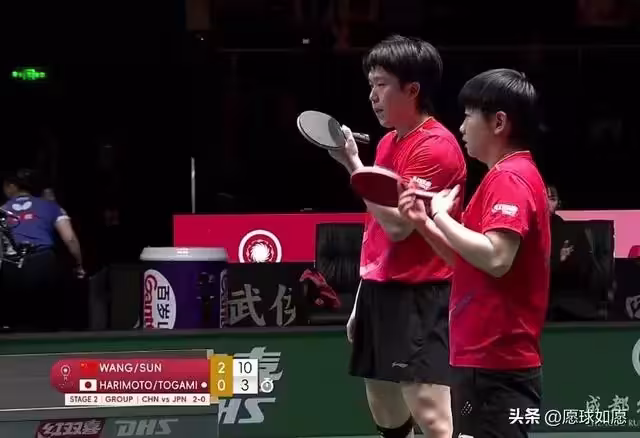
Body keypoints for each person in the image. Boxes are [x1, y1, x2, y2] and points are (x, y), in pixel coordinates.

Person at [328, 35, 467, 438]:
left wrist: (353, 164)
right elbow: (377, 231)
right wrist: (362, 297)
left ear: (412, 89)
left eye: (381, 84)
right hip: (380, 291)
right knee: (386, 410)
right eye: (370, 84)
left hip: (420, 294)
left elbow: (399, 226)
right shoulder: (389, 143)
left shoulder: (436, 148)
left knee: (433, 416)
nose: (372, 96)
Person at [398, 69, 549, 437]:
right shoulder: (501, 176)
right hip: (479, 361)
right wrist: (424, 222)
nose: (462, 127)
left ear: (499, 123)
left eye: (468, 116)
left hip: (496, 366)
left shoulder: (510, 178)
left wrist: (440, 216)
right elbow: (467, 261)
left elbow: (497, 259)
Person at [0, 168, 85, 331]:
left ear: (11, 187)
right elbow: (70, 239)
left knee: (16, 319)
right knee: (46, 318)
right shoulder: (51, 207)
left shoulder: (2, 210)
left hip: (12, 265)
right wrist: (78, 265)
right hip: (42, 262)